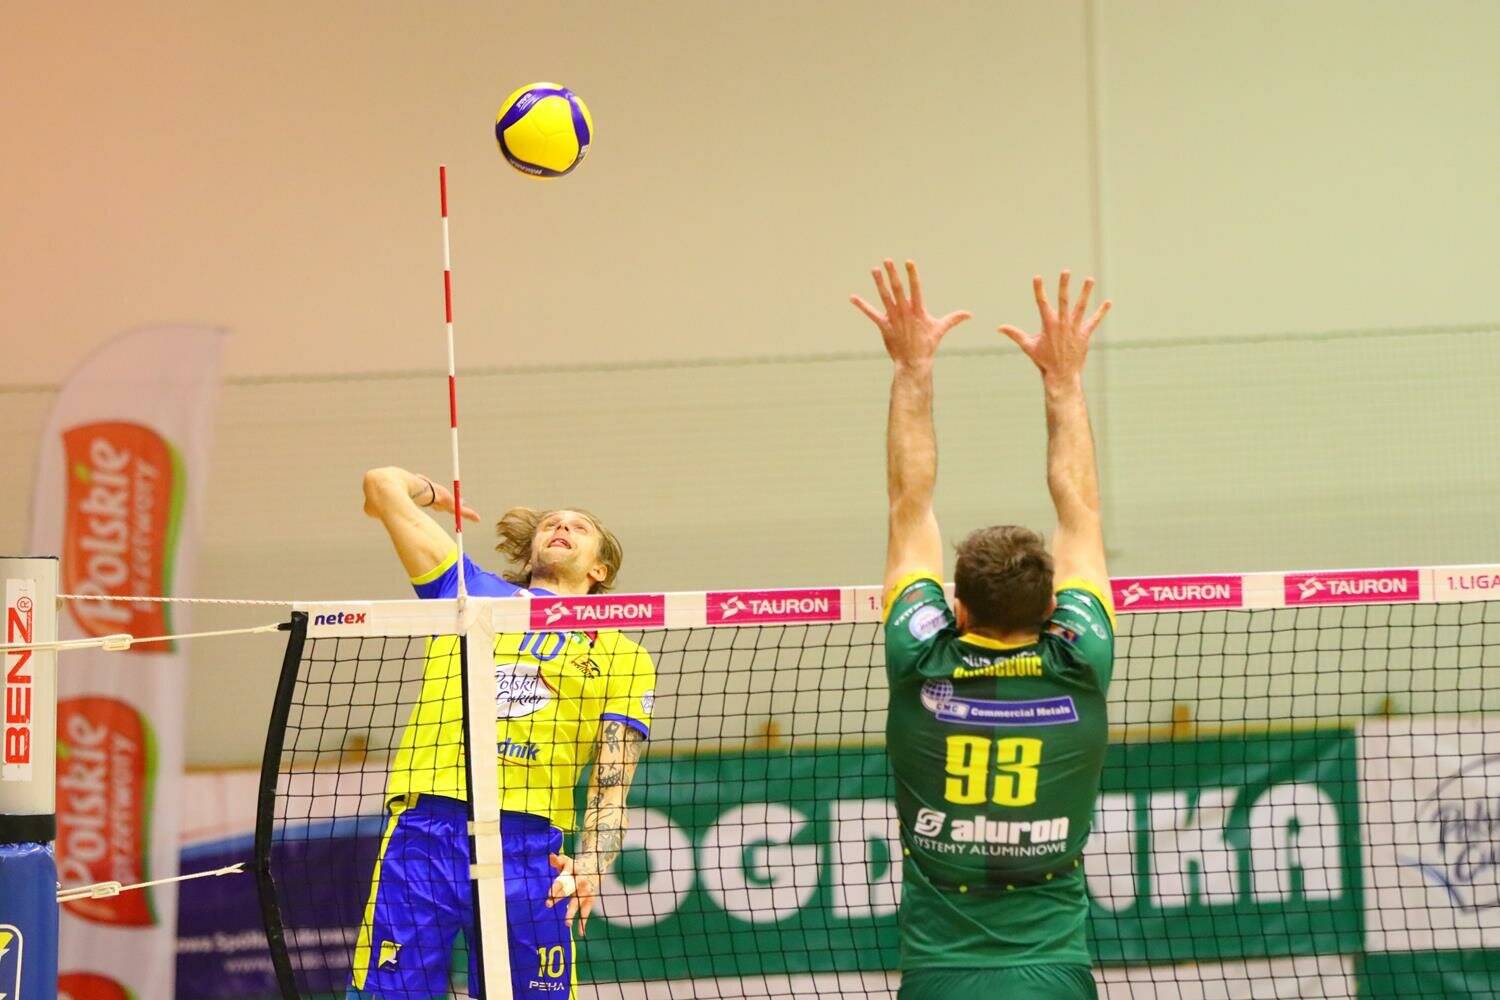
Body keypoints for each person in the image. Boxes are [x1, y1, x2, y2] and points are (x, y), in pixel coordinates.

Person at [851, 261, 1115, 999]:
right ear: (1052, 606)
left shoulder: (919, 656)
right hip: (1053, 975)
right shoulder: (1081, 660)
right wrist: (1063, 380)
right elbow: (1081, 513)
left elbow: (909, 503)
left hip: (940, 977)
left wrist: (912, 369)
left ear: (956, 609)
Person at [350, 466, 654, 999]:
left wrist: (591, 862)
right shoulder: (468, 591)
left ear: (600, 569)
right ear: (530, 551)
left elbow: (612, 786)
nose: (561, 526)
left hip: (531, 848)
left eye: (579, 526)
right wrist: (431, 494)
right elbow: (380, 485)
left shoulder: (623, 654)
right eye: (551, 522)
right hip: (427, 829)